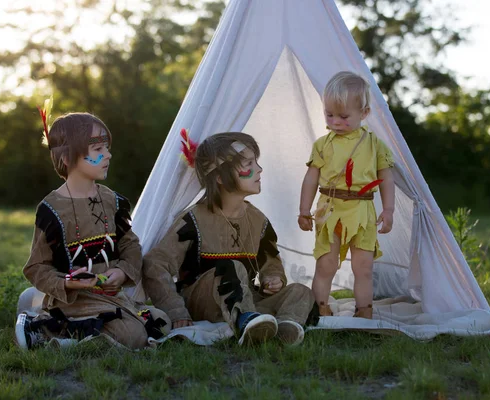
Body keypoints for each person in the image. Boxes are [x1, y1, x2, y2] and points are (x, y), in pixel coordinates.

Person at [142, 131, 317, 346]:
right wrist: (176, 310)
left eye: (257, 162)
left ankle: (283, 327)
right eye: (249, 164)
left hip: (248, 299)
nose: (259, 170)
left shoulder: (258, 220)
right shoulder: (192, 220)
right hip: (203, 302)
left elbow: (271, 262)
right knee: (232, 267)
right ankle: (246, 321)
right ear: (219, 177)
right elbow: (155, 264)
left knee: (301, 291)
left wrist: (273, 279)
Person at [15, 108, 170, 350]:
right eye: (98, 150)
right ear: (67, 158)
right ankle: (43, 330)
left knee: (162, 322)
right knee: (134, 337)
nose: (108, 155)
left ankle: (38, 310)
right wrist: (68, 282)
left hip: (111, 296)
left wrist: (121, 272)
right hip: (74, 300)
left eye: (107, 148)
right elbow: (37, 267)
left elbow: (130, 245)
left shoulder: (113, 201)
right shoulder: (51, 209)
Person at [298, 71, 395, 319]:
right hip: (329, 210)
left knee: (363, 267)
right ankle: (319, 307)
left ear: (363, 114)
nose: (336, 121)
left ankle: (364, 311)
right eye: (329, 115)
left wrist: (389, 210)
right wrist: (303, 210)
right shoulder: (322, 144)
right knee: (326, 263)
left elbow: (386, 178)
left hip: (362, 211)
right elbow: (311, 178)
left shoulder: (375, 145)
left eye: (343, 116)